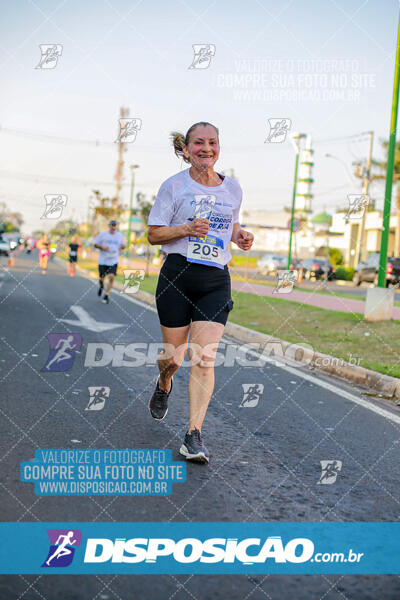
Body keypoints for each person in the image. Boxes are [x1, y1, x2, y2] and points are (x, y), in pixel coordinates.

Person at [147, 121, 254, 464]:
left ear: (218, 147)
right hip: (178, 276)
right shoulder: (173, 186)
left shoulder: (233, 188)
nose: (206, 148)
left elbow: (231, 225)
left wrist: (240, 236)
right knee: (173, 358)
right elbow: (153, 234)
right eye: (198, 143)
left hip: (215, 279)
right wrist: (186, 229)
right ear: (186, 149)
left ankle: (193, 435)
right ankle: (164, 382)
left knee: (204, 358)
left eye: (212, 142)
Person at [93, 220, 126, 304]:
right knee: (101, 278)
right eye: (111, 225)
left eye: (114, 225)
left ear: (116, 226)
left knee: (111, 277)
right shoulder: (103, 234)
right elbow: (95, 244)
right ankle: (101, 286)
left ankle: (106, 295)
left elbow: (123, 246)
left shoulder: (119, 235)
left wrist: (122, 246)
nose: (113, 227)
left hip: (113, 260)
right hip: (103, 260)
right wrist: (103, 248)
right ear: (109, 226)